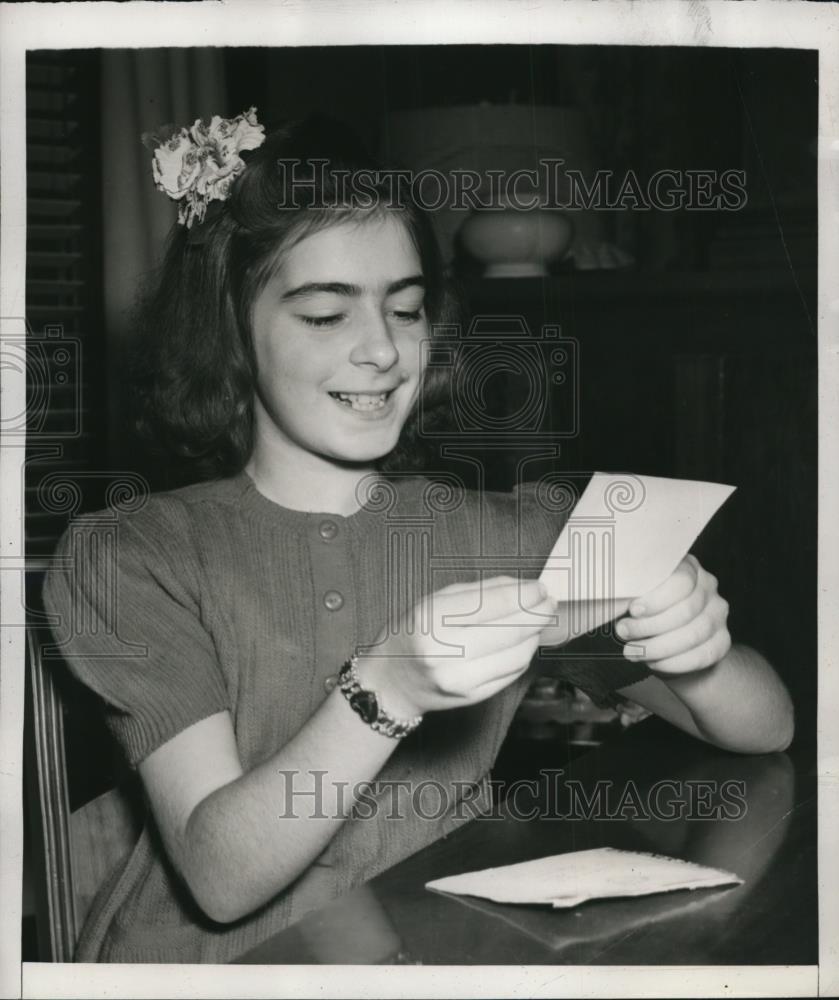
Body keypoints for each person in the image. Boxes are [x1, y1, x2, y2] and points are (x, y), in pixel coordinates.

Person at [43, 109, 794, 963]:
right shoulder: (132, 554)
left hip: (431, 950)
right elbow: (221, 879)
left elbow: (763, 728)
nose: (381, 351)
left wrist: (699, 655)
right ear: (230, 333)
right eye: (325, 316)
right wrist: (388, 690)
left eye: (404, 310)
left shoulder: (511, 532)